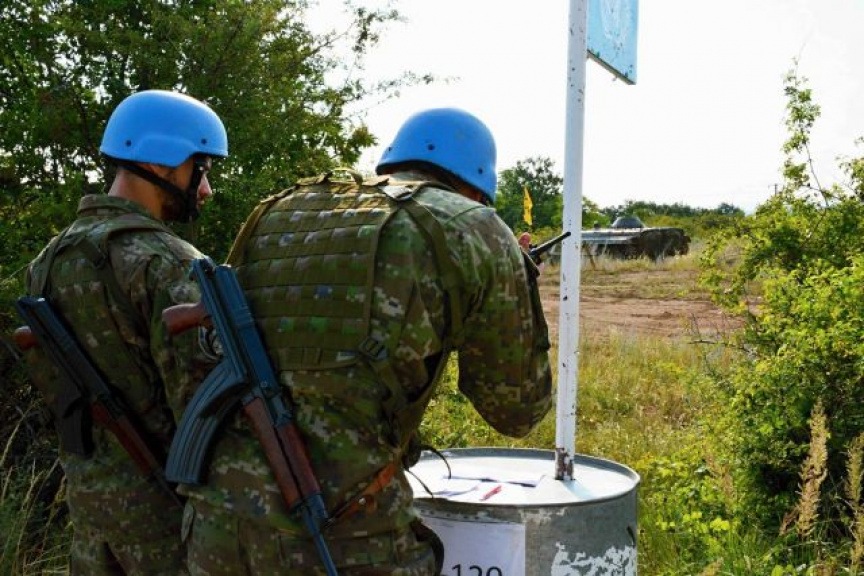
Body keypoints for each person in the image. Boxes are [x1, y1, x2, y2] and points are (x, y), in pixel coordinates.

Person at [177, 107, 553, 575]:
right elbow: (517, 410)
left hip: (215, 530)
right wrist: (513, 281)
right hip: (345, 537)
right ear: (478, 188)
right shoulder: (475, 227)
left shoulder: (280, 207)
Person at [19, 89, 228, 575]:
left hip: (93, 525)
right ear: (161, 162)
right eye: (200, 168)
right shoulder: (167, 262)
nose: (205, 190)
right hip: (172, 532)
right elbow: (213, 413)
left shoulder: (48, 261)